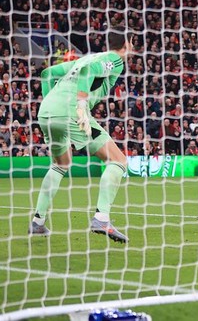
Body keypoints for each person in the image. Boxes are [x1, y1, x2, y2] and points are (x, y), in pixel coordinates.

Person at [29, 27, 132, 243]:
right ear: (127, 44)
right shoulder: (116, 59)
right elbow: (89, 73)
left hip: (47, 112)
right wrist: (81, 102)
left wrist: (52, 102)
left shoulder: (85, 58)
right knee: (119, 160)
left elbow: (47, 74)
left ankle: (37, 222)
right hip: (72, 111)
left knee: (61, 164)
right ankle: (101, 218)